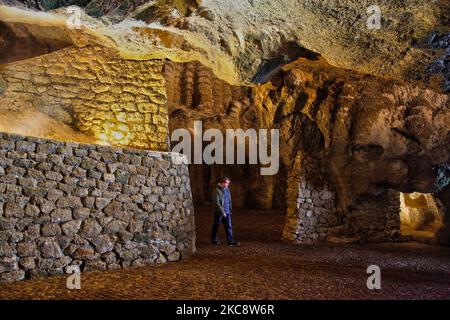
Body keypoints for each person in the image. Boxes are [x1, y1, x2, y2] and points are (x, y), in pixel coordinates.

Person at [211, 177, 239, 246]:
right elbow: (217, 203)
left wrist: (229, 209)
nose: (228, 185)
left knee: (229, 226)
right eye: (227, 183)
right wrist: (222, 212)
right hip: (219, 213)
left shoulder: (227, 189)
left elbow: (229, 200)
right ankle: (214, 240)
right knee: (216, 226)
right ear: (223, 183)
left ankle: (230, 241)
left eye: (228, 183)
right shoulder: (217, 191)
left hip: (227, 212)